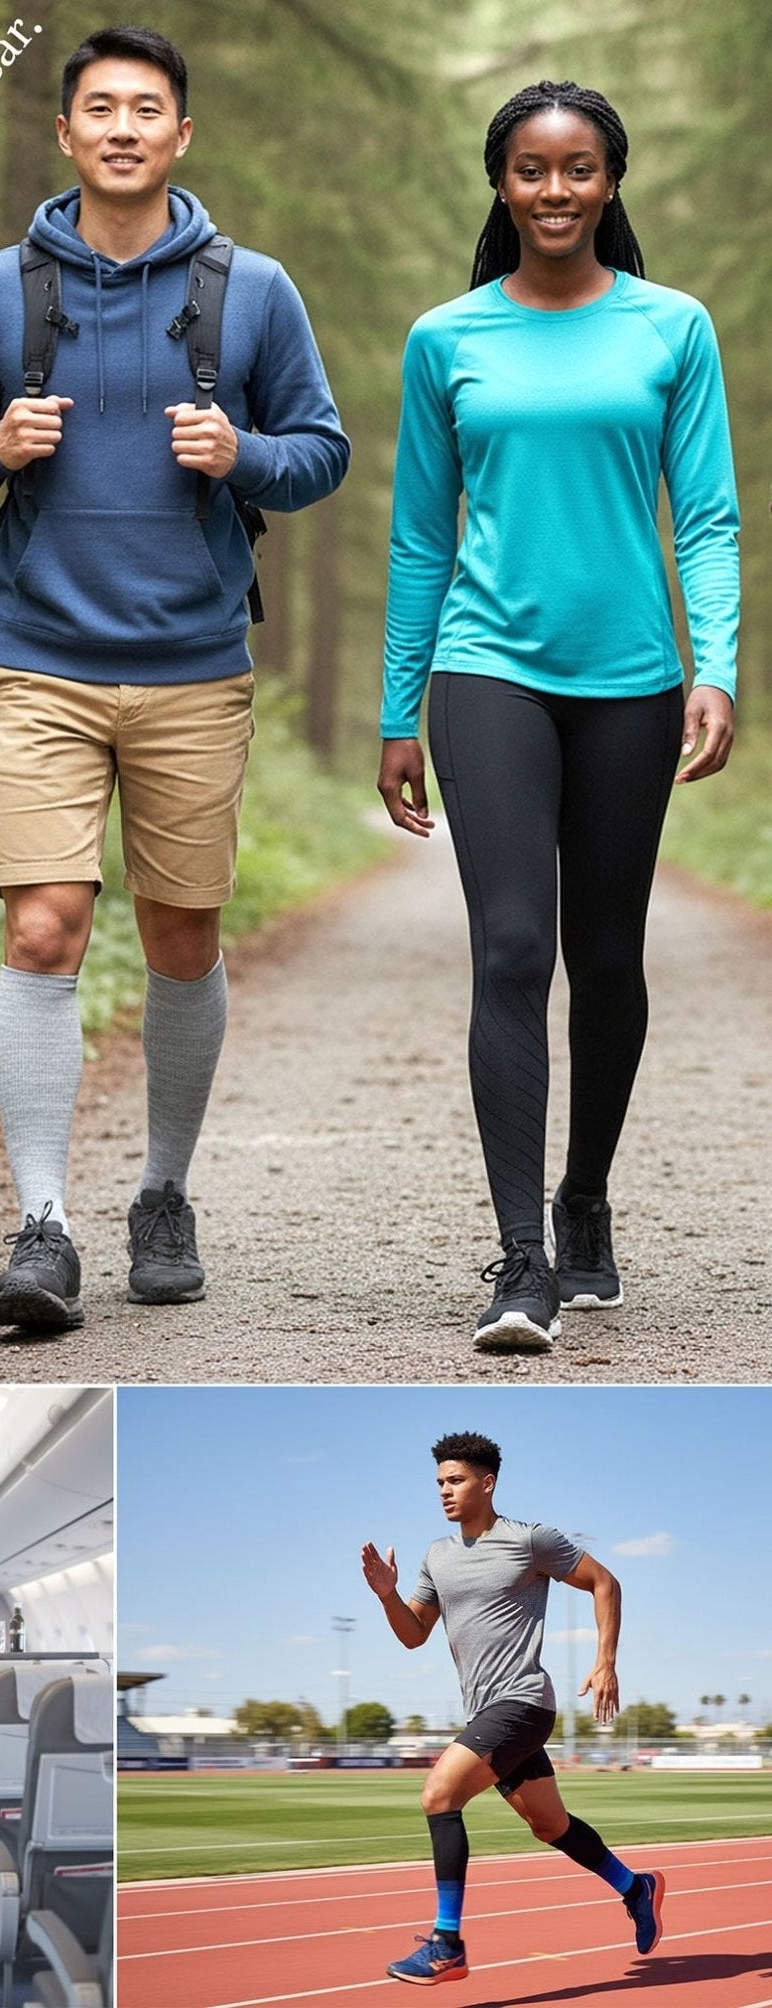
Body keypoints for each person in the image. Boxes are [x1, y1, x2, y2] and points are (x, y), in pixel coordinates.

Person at [0, 24, 348, 1330]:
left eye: (145, 109)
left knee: (180, 936)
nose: (120, 128)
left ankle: (161, 1194)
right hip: (39, 660)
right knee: (41, 928)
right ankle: (41, 1226)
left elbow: (318, 452)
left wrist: (241, 454)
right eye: (97, 107)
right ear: (64, 132)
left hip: (194, 667)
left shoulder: (249, 290)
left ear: (178, 134)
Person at [377, 82, 738, 1350]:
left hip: (630, 681)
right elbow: (418, 536)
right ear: (500, 183)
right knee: (510, 948)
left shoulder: (670, 328)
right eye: (529, 169)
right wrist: (396, 708)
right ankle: (520, 1257)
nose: (552, 190)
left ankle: (584, 1196)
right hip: (486, 672)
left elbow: (704, 518)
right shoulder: (445, 339)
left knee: (607, 959)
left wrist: (713, 667)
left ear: (608, 181)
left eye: (576, 168)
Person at [360, 1430, 663, 1986]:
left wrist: (605, 1662)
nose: (444, 1491)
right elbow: (413, 1635)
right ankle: (635, 1887)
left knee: (439, 1795)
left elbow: (604, 1582)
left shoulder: (529, 1540)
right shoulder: (437, 1556)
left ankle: (447, 1944)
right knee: (549, 1825)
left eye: (455, 1480)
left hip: (522, 1702)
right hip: (485, 1711)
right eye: (439, 1482)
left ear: (487, 1483)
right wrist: (387, 1596)